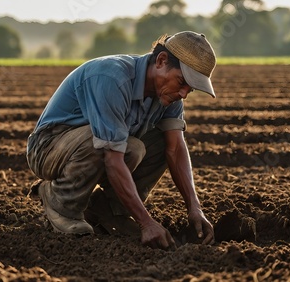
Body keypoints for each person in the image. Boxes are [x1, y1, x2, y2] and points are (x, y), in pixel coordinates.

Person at [27, 31, 216, 250]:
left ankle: (108, 210)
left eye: (190, 89)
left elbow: (175, 150)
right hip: (48, 148)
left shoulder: (170, 93)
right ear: (161, 61)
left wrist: (194, 207)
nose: (183, 94)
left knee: (149, 144)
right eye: (182, 82)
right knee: (107, 140)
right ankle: (61, 202)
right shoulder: (112, 79)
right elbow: (112, 158)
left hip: (95, 145)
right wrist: (146, 223)